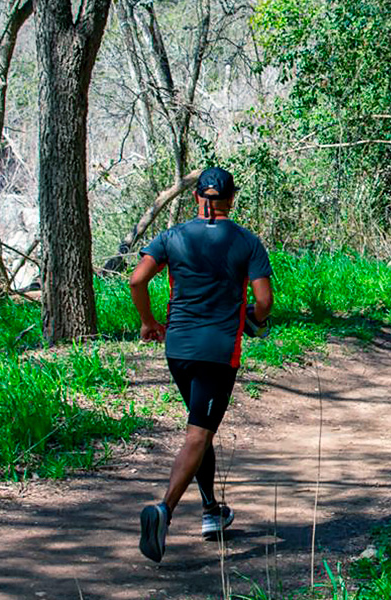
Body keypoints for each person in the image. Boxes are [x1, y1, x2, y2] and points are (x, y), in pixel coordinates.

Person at [129, 166, 273, 563]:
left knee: (200, 428)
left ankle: (211, 511)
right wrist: (254, 323)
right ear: (230, 199)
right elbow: (263, 302)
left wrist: (147, 322)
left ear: (197, 198)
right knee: (197, 436)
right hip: (217, 352)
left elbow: (137, 280)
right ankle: (164, 511)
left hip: (178, 348)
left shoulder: (172, 237)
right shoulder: (246, 242)